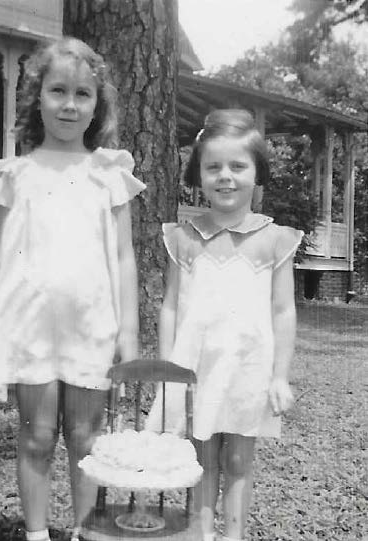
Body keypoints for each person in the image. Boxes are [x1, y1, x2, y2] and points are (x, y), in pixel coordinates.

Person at [0, 37, 145, 541]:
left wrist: (129, 330)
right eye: (58, 91)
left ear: (98, 104)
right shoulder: (17, 174)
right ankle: (35, 534)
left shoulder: (107, 172)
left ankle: (83, 531)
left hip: (91, 323)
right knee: (37, 436)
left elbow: (123, 256)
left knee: (86, 437)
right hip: (29, 325)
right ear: (37, 97)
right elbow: (2, 254)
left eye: (82, 94)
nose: (70, 105)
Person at [146, 109, 303, 541]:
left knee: (238, 462)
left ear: (258, 175)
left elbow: (282, 311)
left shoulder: (274, 239)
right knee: (201, 458)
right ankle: (200, 535)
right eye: (213, 166)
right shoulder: (185, 237)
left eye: (238, 166)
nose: (225, 177)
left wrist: (279, 376)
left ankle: (231, 536)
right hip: (196, 368)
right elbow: (172, 307)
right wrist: (168, 372)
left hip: (247, 368)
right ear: (198, 174)